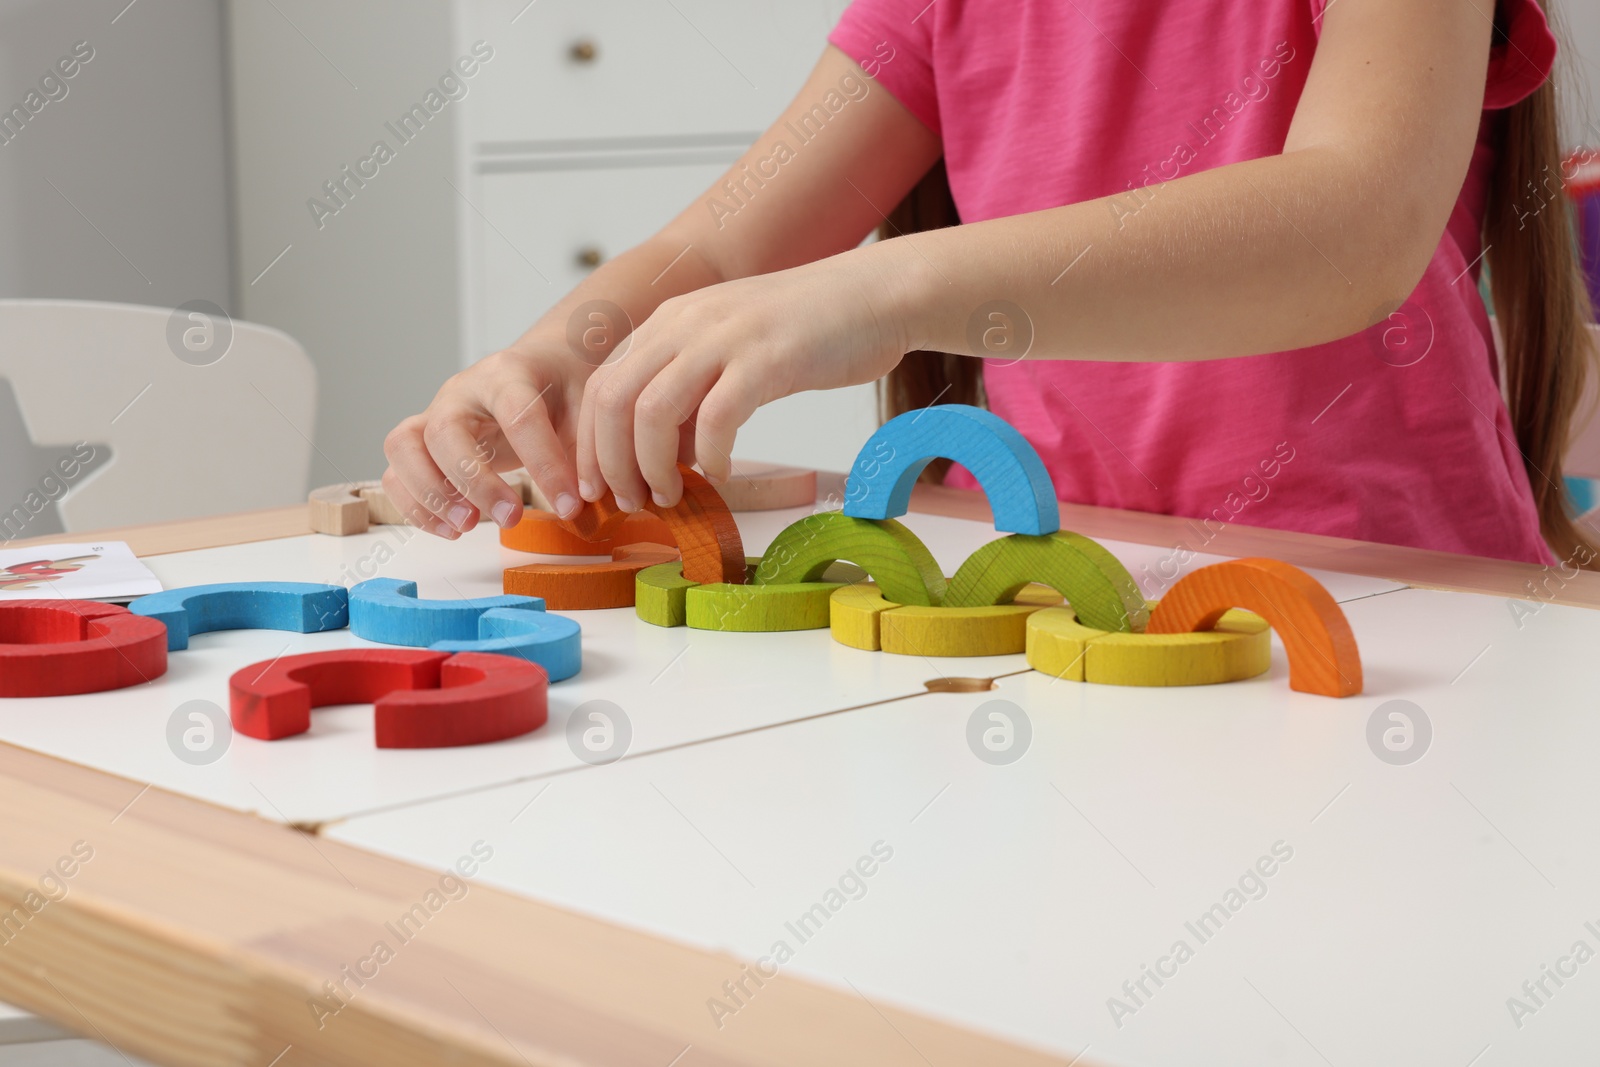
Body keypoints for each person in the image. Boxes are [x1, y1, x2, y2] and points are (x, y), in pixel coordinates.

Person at [381, 0, 1596, 565]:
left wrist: (887, 290)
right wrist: (559, 355)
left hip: (1390, 593)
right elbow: (719, 247)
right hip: (1031, 589)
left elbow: (1355, 222)